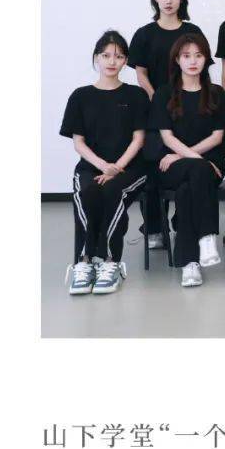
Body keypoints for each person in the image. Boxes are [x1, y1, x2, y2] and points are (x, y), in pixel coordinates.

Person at [60, 31, 150, 295]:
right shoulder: (81, 96)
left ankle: (110, 262)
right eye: (106, 55)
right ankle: (84, 262)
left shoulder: (136, 95)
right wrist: (103, 166)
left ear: (125, 61)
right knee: (86, 192)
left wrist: (116, 168)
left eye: (119, 56)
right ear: (96, 58)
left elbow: (139, 139)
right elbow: (78, 143)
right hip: (91, 166)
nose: (112, 61)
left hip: (130, 167)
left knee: (112, 190)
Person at [148, 33, 225, 287]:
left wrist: (190, 158)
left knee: (186, 191)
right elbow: (167, 137)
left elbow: (218, 137)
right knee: (197, 172)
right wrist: (200, 161)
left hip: (202, 163)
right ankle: (207, 236)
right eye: (186, 56)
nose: (193, 61)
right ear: (177, 60)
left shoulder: (217, 94)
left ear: (206, 59)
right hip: (173, 165)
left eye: (198, 55)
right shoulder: (164, 93)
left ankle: (190, 264)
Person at [129, 0, 205, 250]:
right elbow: (141, 73)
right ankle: (154, 227)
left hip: (188, 110)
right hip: (156, 109)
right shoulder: (144, 34)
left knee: (186, 168)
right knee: (153, 166)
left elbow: (199, 69)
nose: (168, 1)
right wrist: (156, 97)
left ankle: (182, 223)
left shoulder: (192, 31)